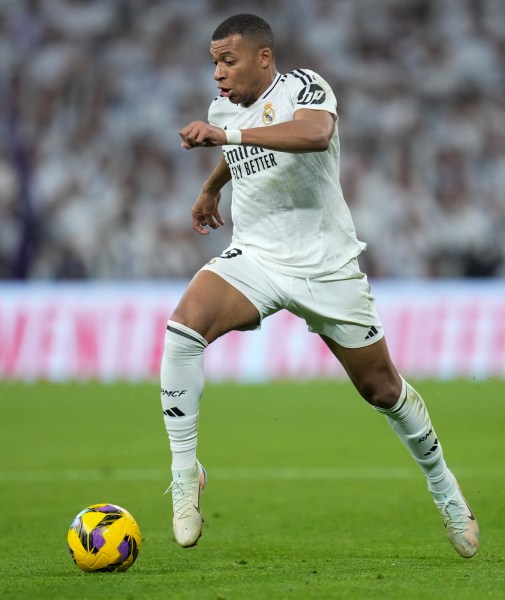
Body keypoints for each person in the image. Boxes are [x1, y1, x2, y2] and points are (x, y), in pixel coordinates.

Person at [160, 13, 479, 558]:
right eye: (214, 62)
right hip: (257, 256)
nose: (218, 73)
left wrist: (225, 135)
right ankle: (186, 475)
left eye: (228, 61)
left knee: (383, 390)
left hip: (327, 265)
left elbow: (314, 134)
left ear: (264, 58)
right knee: (183, 328)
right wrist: (211, 187)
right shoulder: (223, 110)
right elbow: (240, 153)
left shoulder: (305, 88)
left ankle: (446, 489)